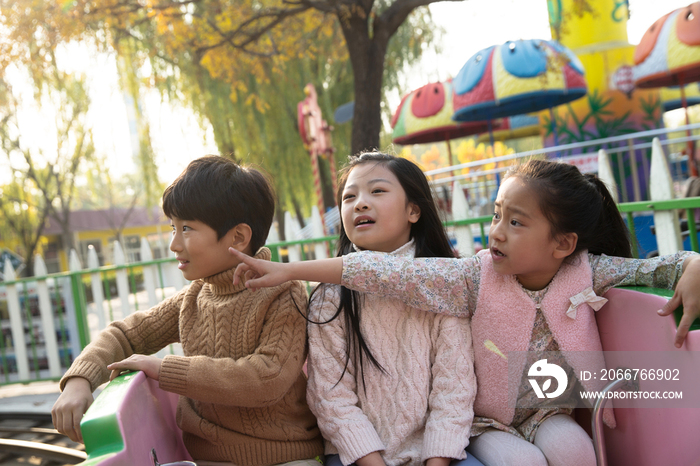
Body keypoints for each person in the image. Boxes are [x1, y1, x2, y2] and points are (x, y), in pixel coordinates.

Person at [230, 159, 700, 466]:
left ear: (563, 244)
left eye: (515, 222)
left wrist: (695, 263)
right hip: (487, 417)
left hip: (545, 407)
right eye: (496, 215)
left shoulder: (585, 270)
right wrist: (291, 271)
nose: (496, 232)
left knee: (577, 452)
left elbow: (659, 266)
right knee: (526, 465)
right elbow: (382, 274)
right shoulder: (470, 277)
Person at [52, 156, 324, 466]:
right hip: (207, 459)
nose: (174, 244)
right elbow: (124, 334)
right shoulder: (193, 298)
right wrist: (80, 380)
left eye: (186, 229)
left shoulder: (283, 294)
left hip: (283, 458)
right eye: (172, 228)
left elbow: (267, 379)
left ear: (238, 237)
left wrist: (165, 370)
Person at [272, 152, 481, 466]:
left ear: (414, 210)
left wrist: (436, 460)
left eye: (377, 191)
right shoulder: (330, 297)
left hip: (437, 451)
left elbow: (455, 389)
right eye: (349, 196)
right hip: (358, 456)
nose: (360, 203)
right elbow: (331, 398)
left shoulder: (441, 287)